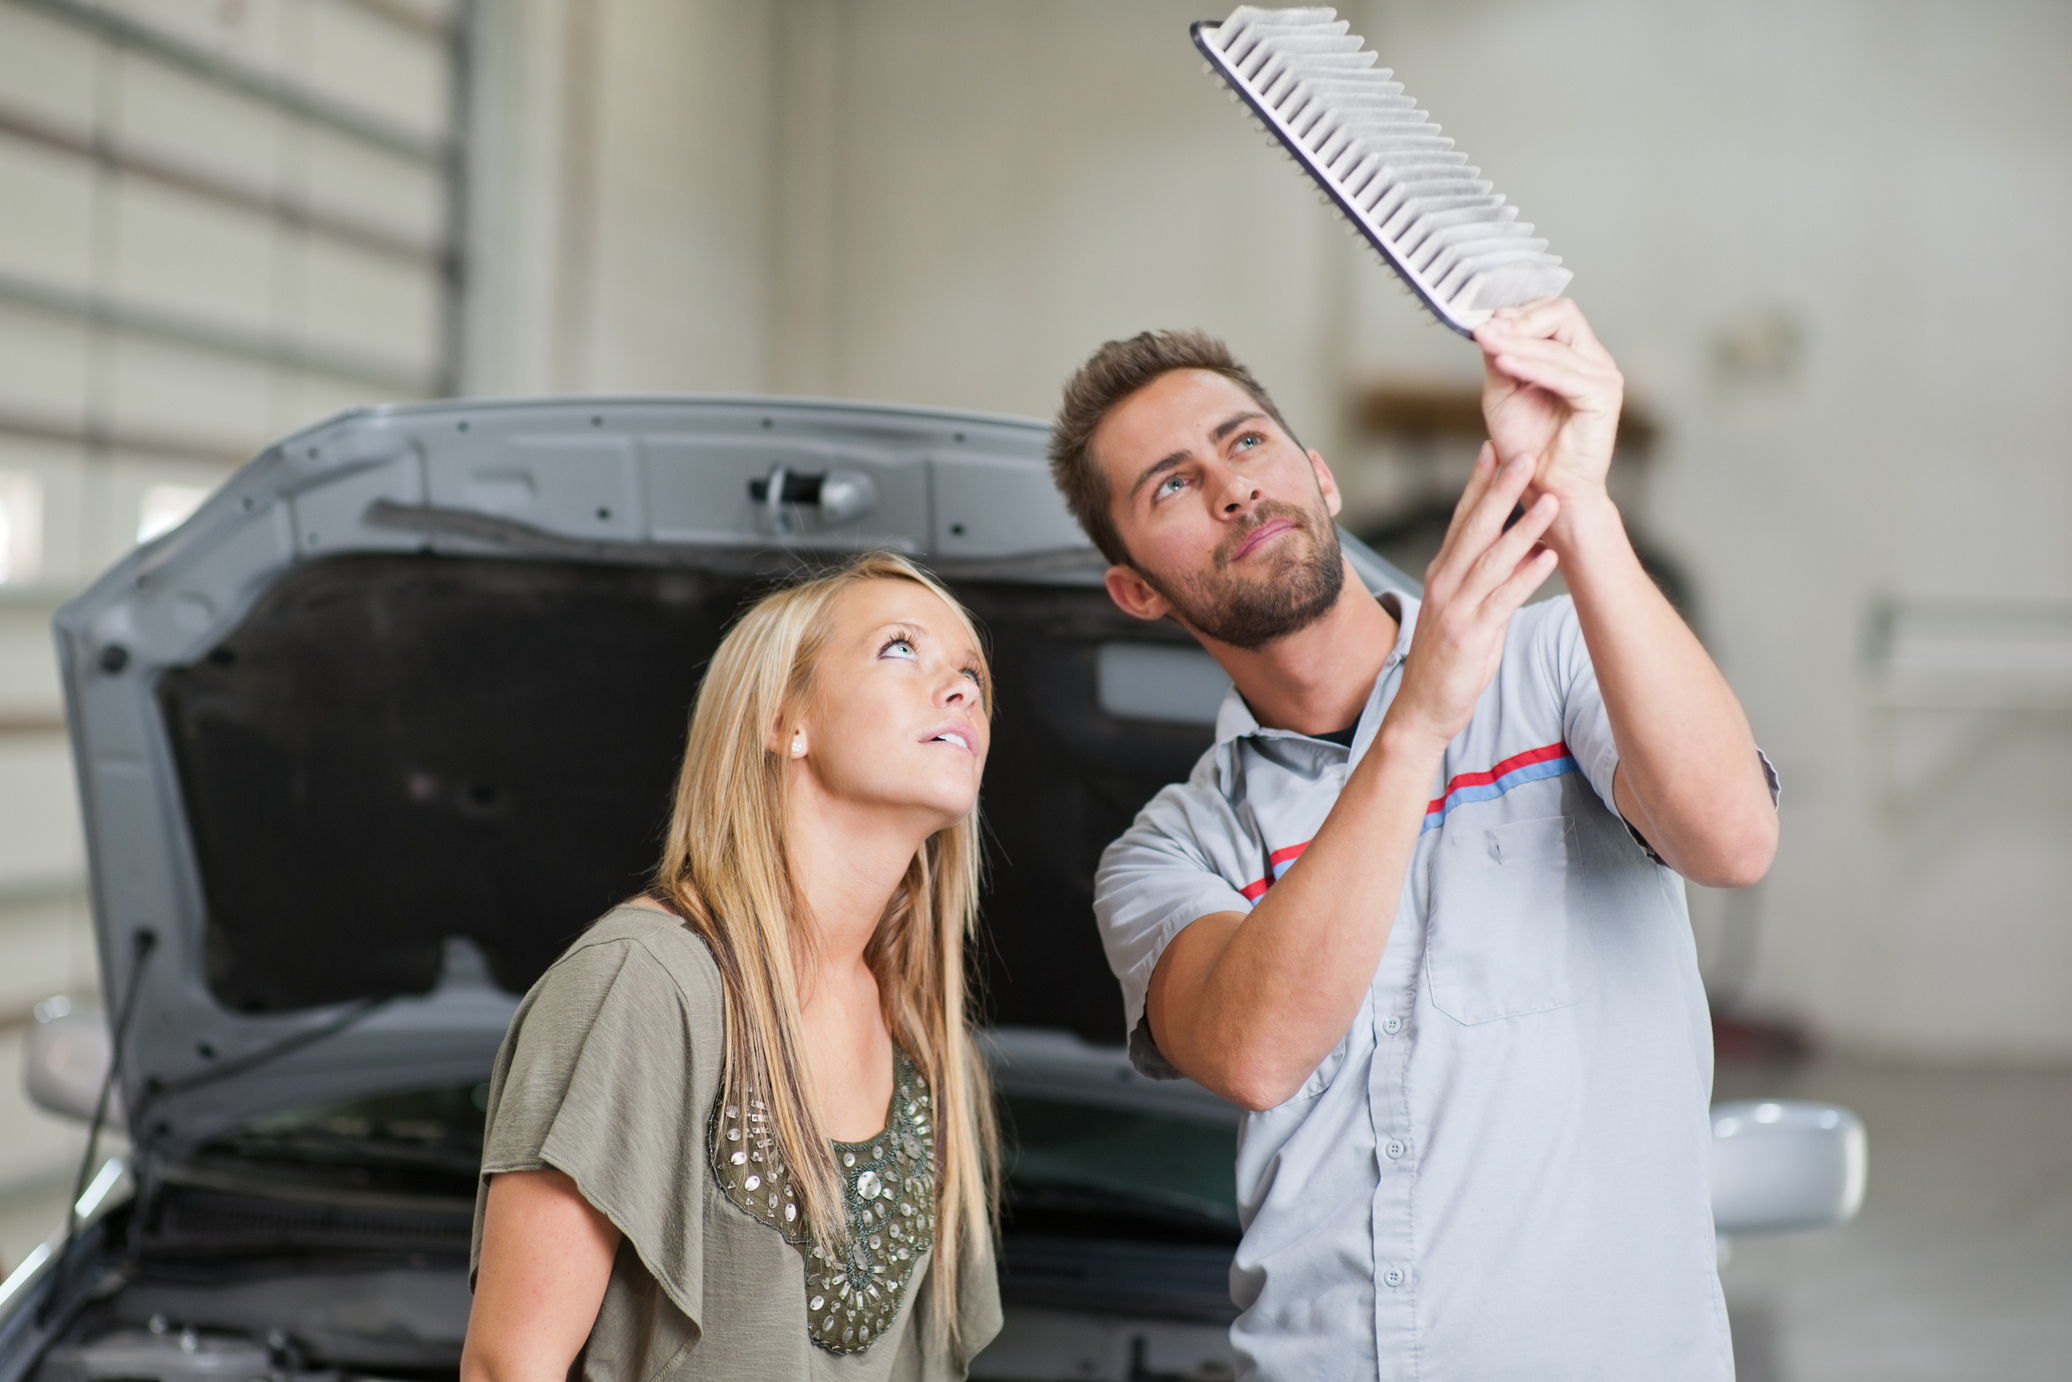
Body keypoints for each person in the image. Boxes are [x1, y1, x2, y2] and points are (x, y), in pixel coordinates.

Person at [1046, 298, 1779, 1380]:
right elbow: (1255, 1050)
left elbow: (1733, 839)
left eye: (1244, 442)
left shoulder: (1554, 665)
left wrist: (1577, 501)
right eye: (1170, 485)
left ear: (1319, 476)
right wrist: (1417, 719)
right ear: (1135, 590)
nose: (1231, 488)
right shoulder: (1171, 851)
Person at [460, 552, 1003, 1382]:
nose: (961, 689)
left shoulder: (928, 1045)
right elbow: (509, 1367)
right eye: (901, 648)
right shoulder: (644, 983)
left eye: (973, 675)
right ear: (785, 720)